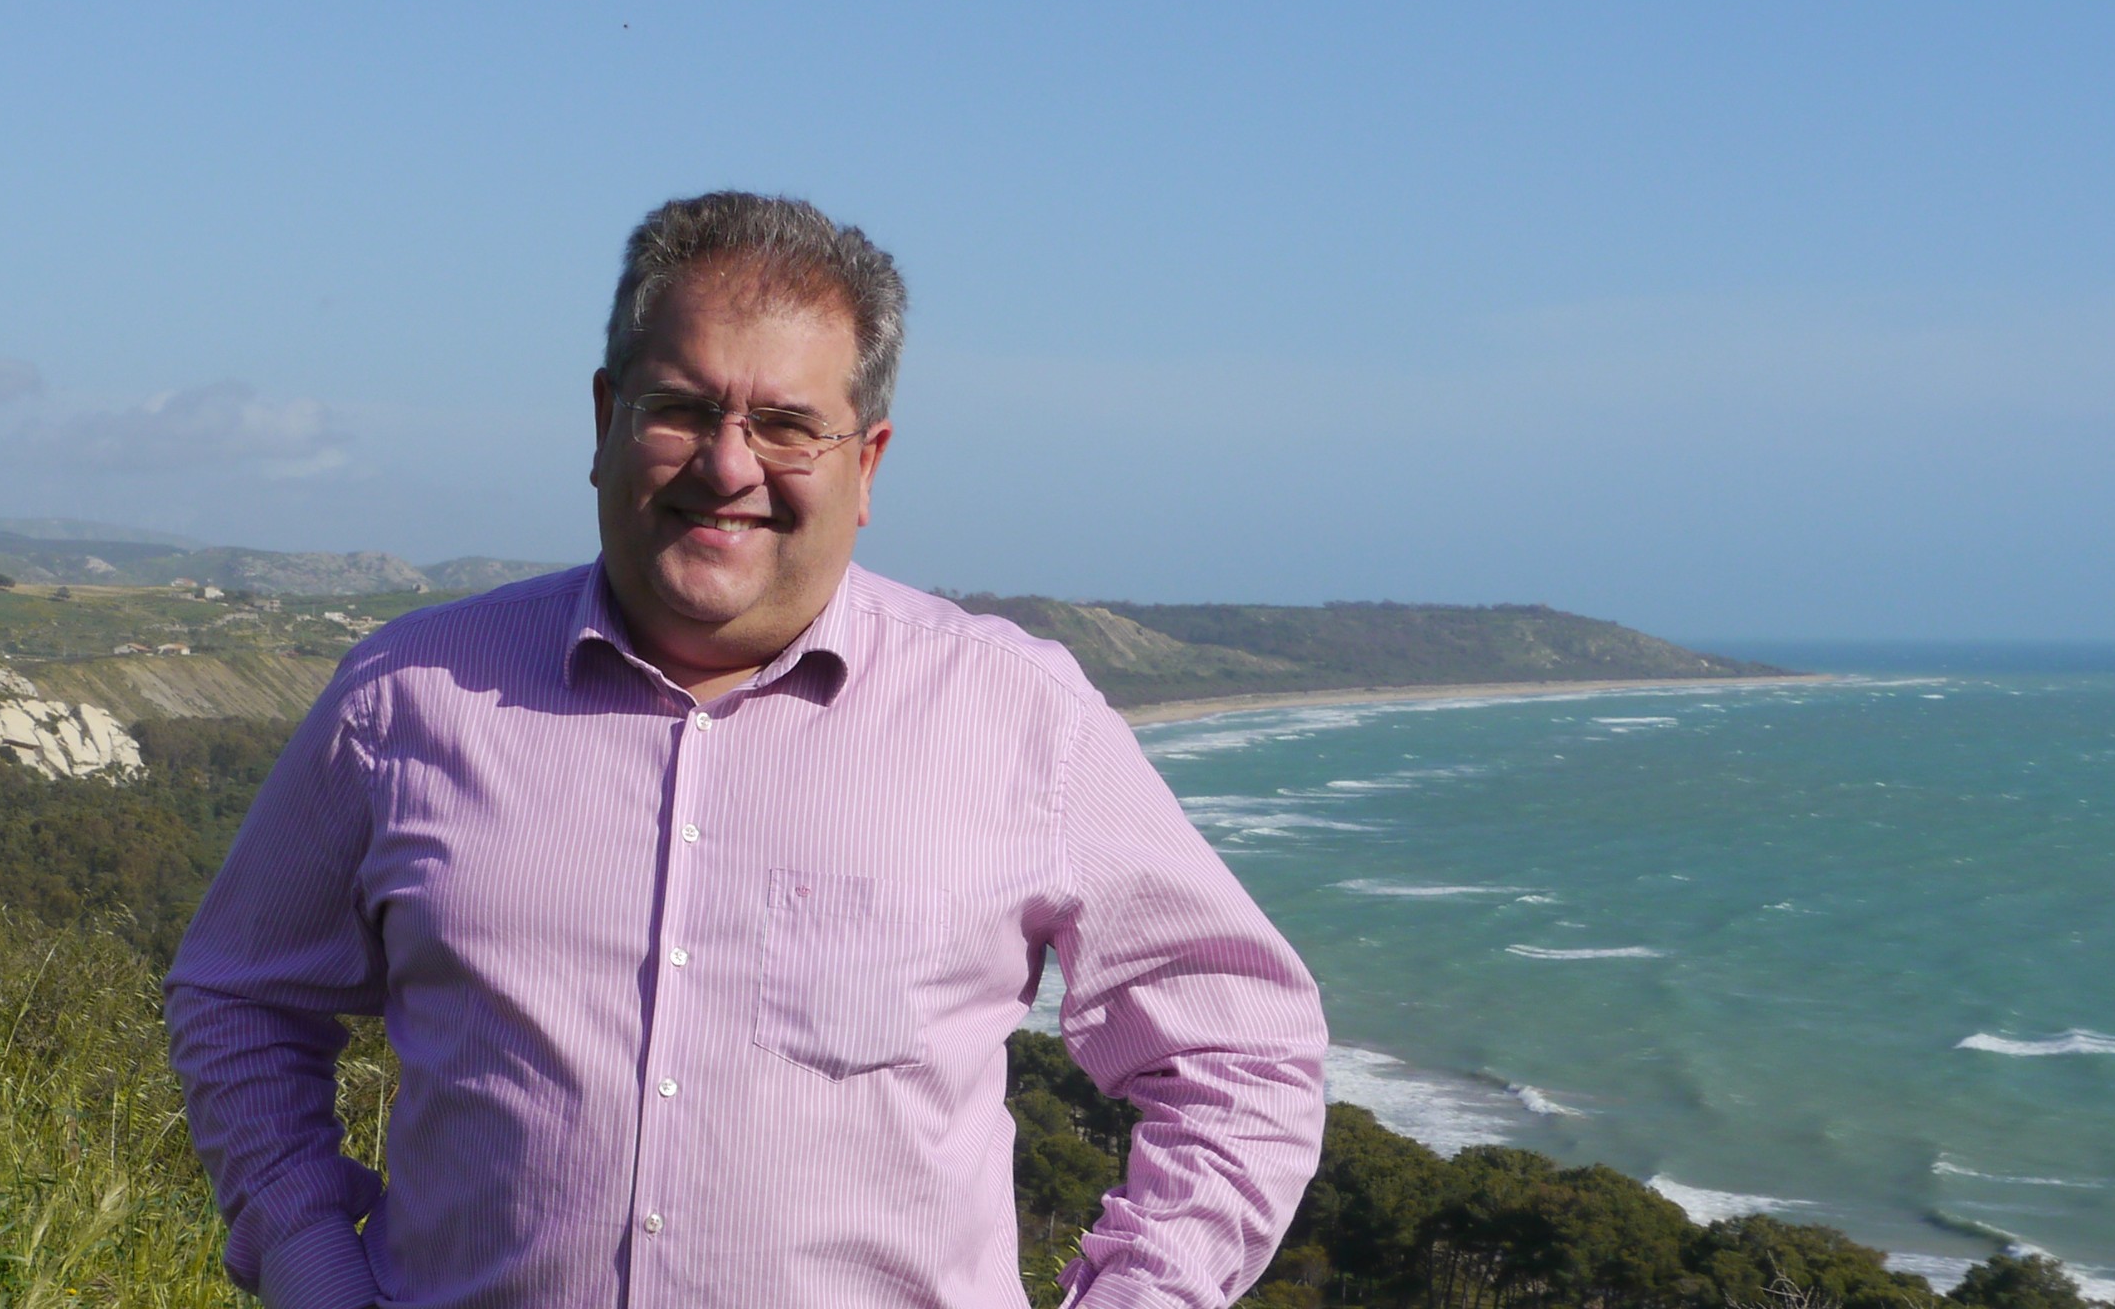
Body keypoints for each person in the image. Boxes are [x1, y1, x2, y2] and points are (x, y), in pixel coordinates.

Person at [165, 191, 1329, 1309]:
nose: (728, 467)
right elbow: (237, 996)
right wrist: (312, 1267)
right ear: (605, 420)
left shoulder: (1021, 718)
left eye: (785, 426)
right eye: (681, 409)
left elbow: (1246, 1057)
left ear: (866, 463)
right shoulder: (408, 696)